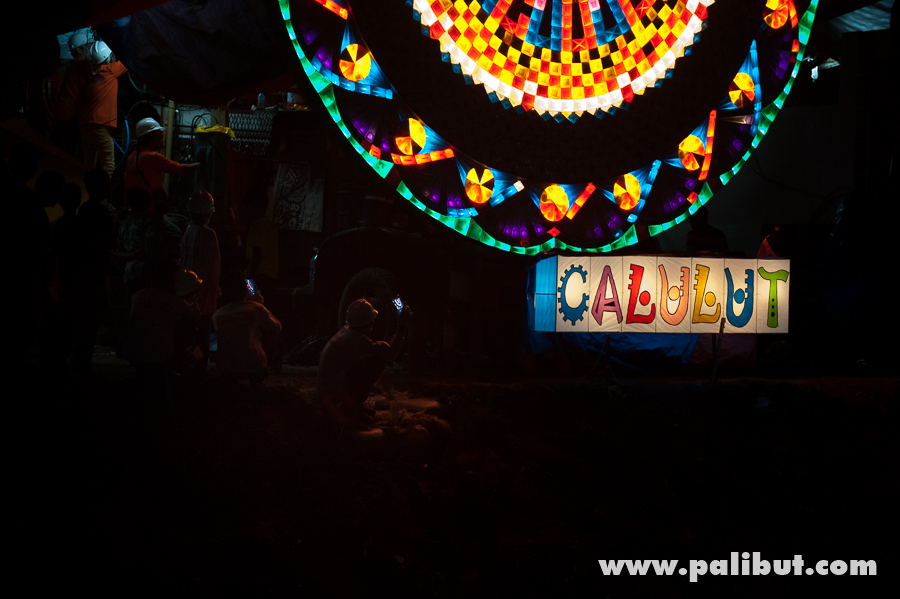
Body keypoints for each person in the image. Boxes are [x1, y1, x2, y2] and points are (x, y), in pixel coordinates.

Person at [317, 299, 411, 429]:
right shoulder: (355, 338)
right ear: (368, 322)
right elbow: (390, 354)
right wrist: (402, 325)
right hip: (333, 393)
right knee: (376, 362)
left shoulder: (346, 332)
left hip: (327, 388)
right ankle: (354, 407)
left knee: (367, 360)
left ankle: (354, 404)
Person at [58, 41, 129, 175]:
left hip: (84, 125)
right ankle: (104, 189)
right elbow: (129, 59)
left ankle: (86, 186)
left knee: (88, 166)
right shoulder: (111, 70)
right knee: (108, 166)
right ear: (109, 57)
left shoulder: (92, 74)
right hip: (100, 125)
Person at [125, 268, 201, 378]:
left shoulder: (137, 295)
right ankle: (180, 363)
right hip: (160, 357)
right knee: (188, 325)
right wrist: (193, 300)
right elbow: (196, 317)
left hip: (134, 354)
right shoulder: (172, 300)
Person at [212, 275, 282, 384]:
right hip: (253, 367)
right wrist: (260, 305)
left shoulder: (217, 314)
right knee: (273, 332)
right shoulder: (256, 308)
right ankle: (264, 368)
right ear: (245, 291)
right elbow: (277, 327)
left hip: (224, 368)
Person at [179, 189, 221, 368]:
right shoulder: (209, 234)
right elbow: (213, 267)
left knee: (188, 332)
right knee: (203, 332)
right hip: (203, 291)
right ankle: (199, 369)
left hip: (186, 291)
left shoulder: (188, 232)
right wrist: (215, 289)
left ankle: (186, 366)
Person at [124, 117, 200, 210]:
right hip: (151, 208)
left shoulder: (132, 156)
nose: (162, 140)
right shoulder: (153, 156)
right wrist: (199, 164)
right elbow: (178, 167)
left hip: (135, 208)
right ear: (149, 140)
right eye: (159, 137)